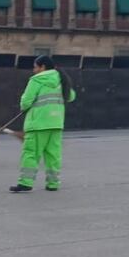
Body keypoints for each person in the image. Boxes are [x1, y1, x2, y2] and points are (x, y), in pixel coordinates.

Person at [10, 55, 77, 192]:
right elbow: (71, 97)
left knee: (31, 154)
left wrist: (24, 108)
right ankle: (53, 184)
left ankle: (26, 183)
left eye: (35, 67)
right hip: (56, 123)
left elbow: (26, 101)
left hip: (38, 124)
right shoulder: (62, 79)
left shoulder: (37, 80)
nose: (34, 70)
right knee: (53, 155)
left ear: (42, 67)